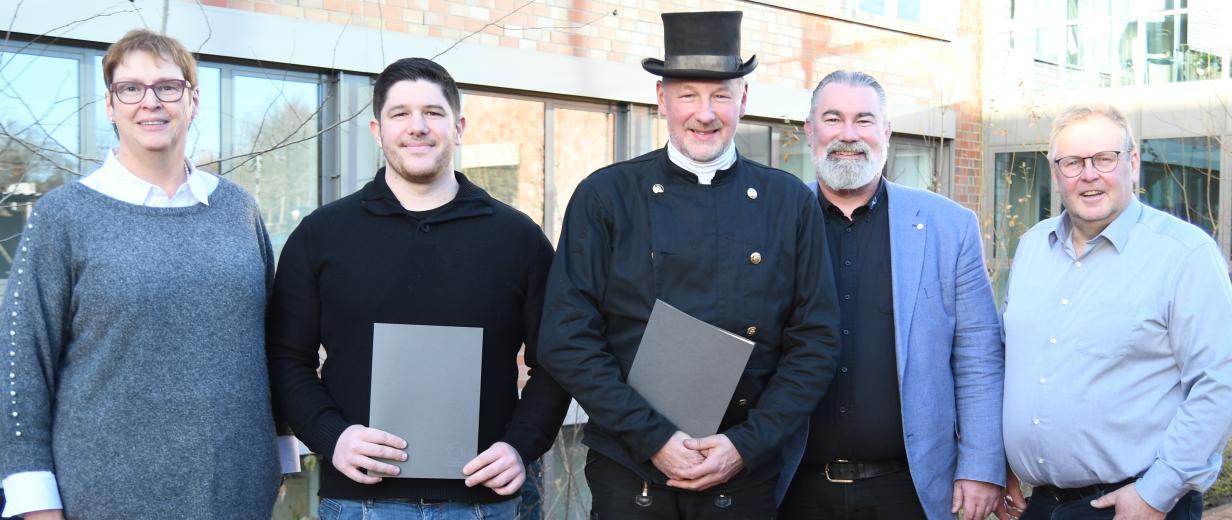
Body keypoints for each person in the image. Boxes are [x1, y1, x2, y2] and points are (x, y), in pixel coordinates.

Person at [538, 11, 841, 519]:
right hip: (629, 476)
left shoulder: (788, 202)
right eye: (688, 95)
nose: (705, 113)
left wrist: (747, 443)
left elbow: (817, 341)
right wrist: (652, 435)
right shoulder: (606, 196)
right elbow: (566, 337)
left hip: (742, 476)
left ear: (744, 100)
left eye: (721, 95)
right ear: (661, 100)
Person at [266, 57, 570, 520]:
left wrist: (519, 446)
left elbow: (556, 361)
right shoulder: (321, 235)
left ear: (459, 126)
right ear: (376, 130)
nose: (417, 127)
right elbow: (287, 358)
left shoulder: (518, 239)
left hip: (485, 503)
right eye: (400, 114)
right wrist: (333, 436)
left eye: (433, 112)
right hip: (358, 502)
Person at [0, 29, 281, 519]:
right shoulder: (63, 215)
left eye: (168, 87)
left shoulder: (239, 209)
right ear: (110, 106)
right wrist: (33, 500)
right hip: (102, 497)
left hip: (237, 492)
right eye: (130, 88)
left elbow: (274, 343)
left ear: (193, 101)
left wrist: (282, 455)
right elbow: (22, 364)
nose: (150, 102)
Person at [775, 70, 1005, 520]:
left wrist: (981, 467)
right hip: (791, 488)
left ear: (886, 131)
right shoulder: (772, 223)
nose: (847, 135)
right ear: (809, 130)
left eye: (863, 120)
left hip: (909, 491)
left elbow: (979, 359)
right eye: (833, 119)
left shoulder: (949, 228)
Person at [1000, 103, 1232, 520]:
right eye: (1072, 162)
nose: (1089, 175)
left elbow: (1219, 383)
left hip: (1133, 505)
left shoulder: (1185, 255)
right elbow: (1012, 363)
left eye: (1104, 159)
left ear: (1133, 162)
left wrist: (1156, 494)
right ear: (1055, 172)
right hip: (1040, 504)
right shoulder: (1033, 246)